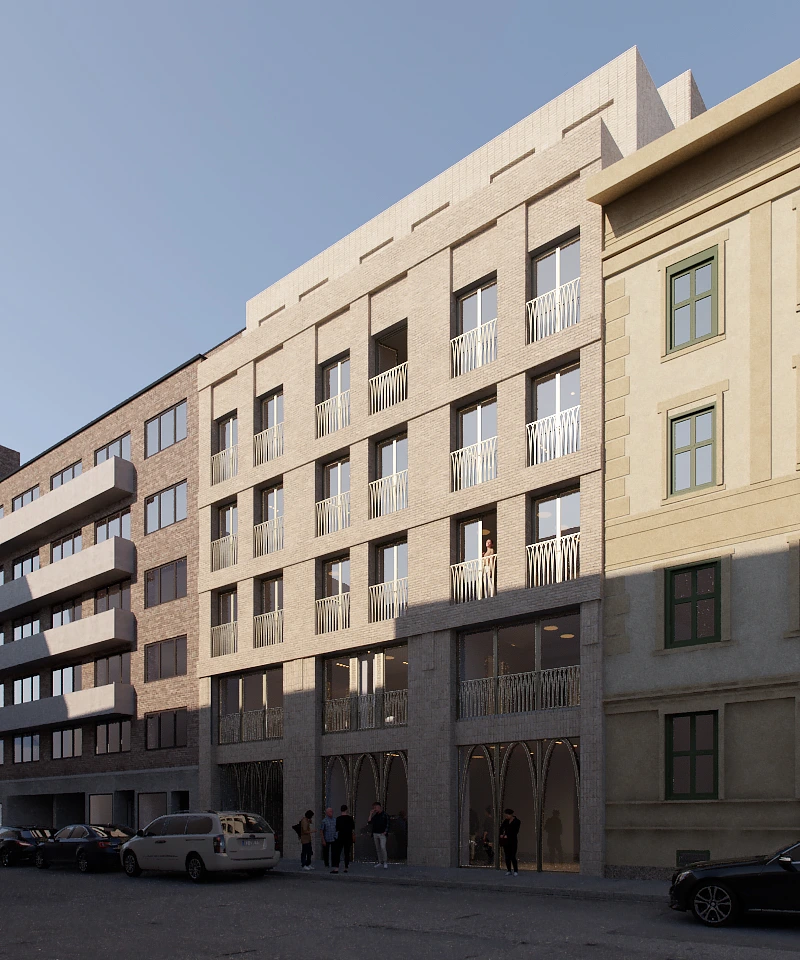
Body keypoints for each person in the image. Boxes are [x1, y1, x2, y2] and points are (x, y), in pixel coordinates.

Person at [331, 804, 356, 874]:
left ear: (341, 810)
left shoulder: (338, 819)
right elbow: (353, 828)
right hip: (348, 837)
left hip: (340, 837)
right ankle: (346, 868)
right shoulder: (350, 818)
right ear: (346, 810)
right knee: (347, 853)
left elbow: (336, 829)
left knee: (338, 853)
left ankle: (336, 868)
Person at [499, 808, 521, 876]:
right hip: (506, 841)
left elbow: (515, 831)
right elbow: (501, 828)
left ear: (511, 814)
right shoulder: (506, 821)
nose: (506, 817)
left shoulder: (517, 821)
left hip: (513, 841)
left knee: (513, 856)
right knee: (507, 856)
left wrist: (508, 835)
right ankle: (508, 870)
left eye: (507, 815)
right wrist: (501, 834)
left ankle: (515, 870)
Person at [367, 801, 389, 869]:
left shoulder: (385, 814)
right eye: (374, 808)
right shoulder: (375, 815)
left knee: (383, 847)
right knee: (378, 848)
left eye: (375, 807)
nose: (375, 809)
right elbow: (369, 821)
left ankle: (385, 861)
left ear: (379, 807)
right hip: (375, 833)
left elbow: (388, 823)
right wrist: (370, 813)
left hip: (382, 834)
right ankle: (380, 862)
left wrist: (385, 831)